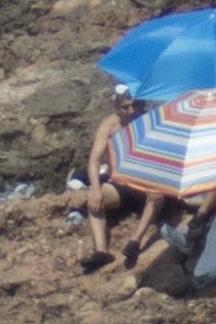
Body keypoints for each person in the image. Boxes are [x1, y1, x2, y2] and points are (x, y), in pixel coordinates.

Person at [67, 92, 166, 272]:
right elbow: (94, 160)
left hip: (147, 182)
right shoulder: (110, 124)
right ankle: (101, 251)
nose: (131, 110)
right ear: (117, 107)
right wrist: (95, 189)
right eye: (125, 107)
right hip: (122, 182)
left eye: (135, 105)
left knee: (157, 195)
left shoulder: (150, 120)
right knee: (97, 198)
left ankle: (135, 240)